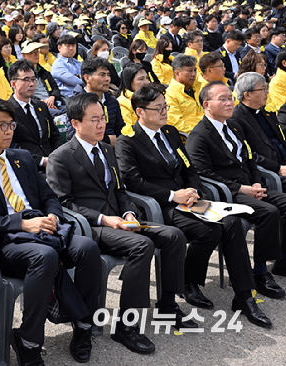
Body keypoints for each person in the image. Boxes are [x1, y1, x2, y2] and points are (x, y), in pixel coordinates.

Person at [0, 97, 102, 365]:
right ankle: (30, 340)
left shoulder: (21, 157)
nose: (10, 131)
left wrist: (54, 215)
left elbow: (48, 195)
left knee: (88, 248)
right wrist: (22, 223)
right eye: (2, 126)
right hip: (6, 241)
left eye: (11, 125)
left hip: (43, 231)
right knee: (44, 257)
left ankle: (82, 328)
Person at [115, 83, 272, 328]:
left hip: (188, 200)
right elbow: (132, 181)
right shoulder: (128, 141)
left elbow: (189, 168)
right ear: (140, 112)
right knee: (209, 230)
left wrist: (193, 191)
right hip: (161, 205)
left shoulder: (170, 133)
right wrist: (171, 195)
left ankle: (244, 296)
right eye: (158, 108)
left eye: (165, 106)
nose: (164, 112)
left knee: (231, 223)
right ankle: (187, 283)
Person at [46, 92, 192, 354]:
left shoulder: (106, 150)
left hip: (120, 220)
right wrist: (105, 219)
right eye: (94, 120)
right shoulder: (61, 157)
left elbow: (121, 191)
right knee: (142, 245)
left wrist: (128, 214)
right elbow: (64, 204)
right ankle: (127, 326)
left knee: (173, 236)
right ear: (76, 123)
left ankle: (168, 304)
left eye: (103, 118)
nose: (101, 125)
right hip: (93, 226)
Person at [186, 81, 286, 300]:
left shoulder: (233, 126)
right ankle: (260, 271)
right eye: (223, 99)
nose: (230, 102)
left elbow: (249, 158)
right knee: (268, 212)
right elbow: (203, 173)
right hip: (228, 192)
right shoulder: (199, 135)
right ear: (206, 104)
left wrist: (255, 182)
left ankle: (285, 259)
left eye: (230, 97)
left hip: (249, 186)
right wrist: (240, 188)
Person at [230, 72, 286, 197]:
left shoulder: (266, 112)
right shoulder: (235, 119)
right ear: (247, 95)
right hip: (271, 172)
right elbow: (248, 154)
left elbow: (284, 142)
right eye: (263, 89)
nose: (268, 93)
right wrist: (278, 168)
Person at [8, 60, 62, 171]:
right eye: (26, 80)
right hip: (27, 166)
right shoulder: (6, 110)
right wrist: (41, 161)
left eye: (33, 79)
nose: (32, 84)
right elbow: (12, 146)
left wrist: (56, 156)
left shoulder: (41, 106)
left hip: (54, 161)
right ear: (13, 84)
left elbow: (55, 135)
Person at [71, 57, 125, 146]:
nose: (107, 79)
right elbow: (75, 135)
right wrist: (108, 140)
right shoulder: (76, 103)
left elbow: (121, 129)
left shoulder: (112, 101)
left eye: (108, 75)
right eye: (102, 75)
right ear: (87, 78)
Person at [165, 55, 203, 134]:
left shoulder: (198, 88)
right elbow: (177, 124)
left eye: (195, 70)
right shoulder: (170, 95)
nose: (193, 74)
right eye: (189, 71)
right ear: (177, 73)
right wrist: (201, 132)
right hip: (193, 136)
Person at [117, 63, 150, 133]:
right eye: (141, 79)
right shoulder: (122, 102)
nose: (146, 82)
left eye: (147, 78)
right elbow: (128, 130)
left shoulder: (150, 97)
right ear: (129, 82)